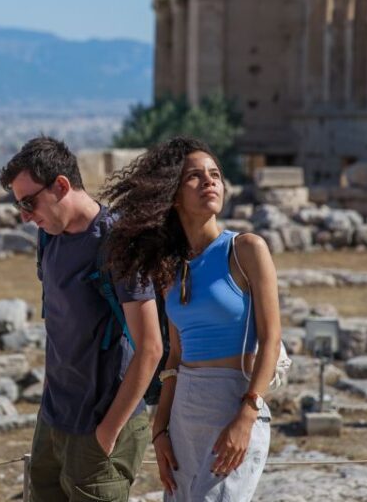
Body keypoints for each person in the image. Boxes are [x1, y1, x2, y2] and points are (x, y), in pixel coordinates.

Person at [101, 136, 282, 502]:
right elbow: (175, 357)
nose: (210, 181)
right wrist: (160, 428)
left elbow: (272, 338)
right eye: (195, 177)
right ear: (173, 195)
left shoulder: (246, 249)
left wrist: (247, 416)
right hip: (184, 409)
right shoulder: (170, 267)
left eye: (215, 174)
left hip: (235, 401)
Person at [0, 136, 162, 502]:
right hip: (54, 418)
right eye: (19, 206)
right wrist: (46, 404)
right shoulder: (49, 239)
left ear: (61, 185)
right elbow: (58, 327)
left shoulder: (119, 242)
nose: (25, 216)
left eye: (29, 202)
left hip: (102, 421)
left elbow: (150, 347)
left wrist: (108, 431)